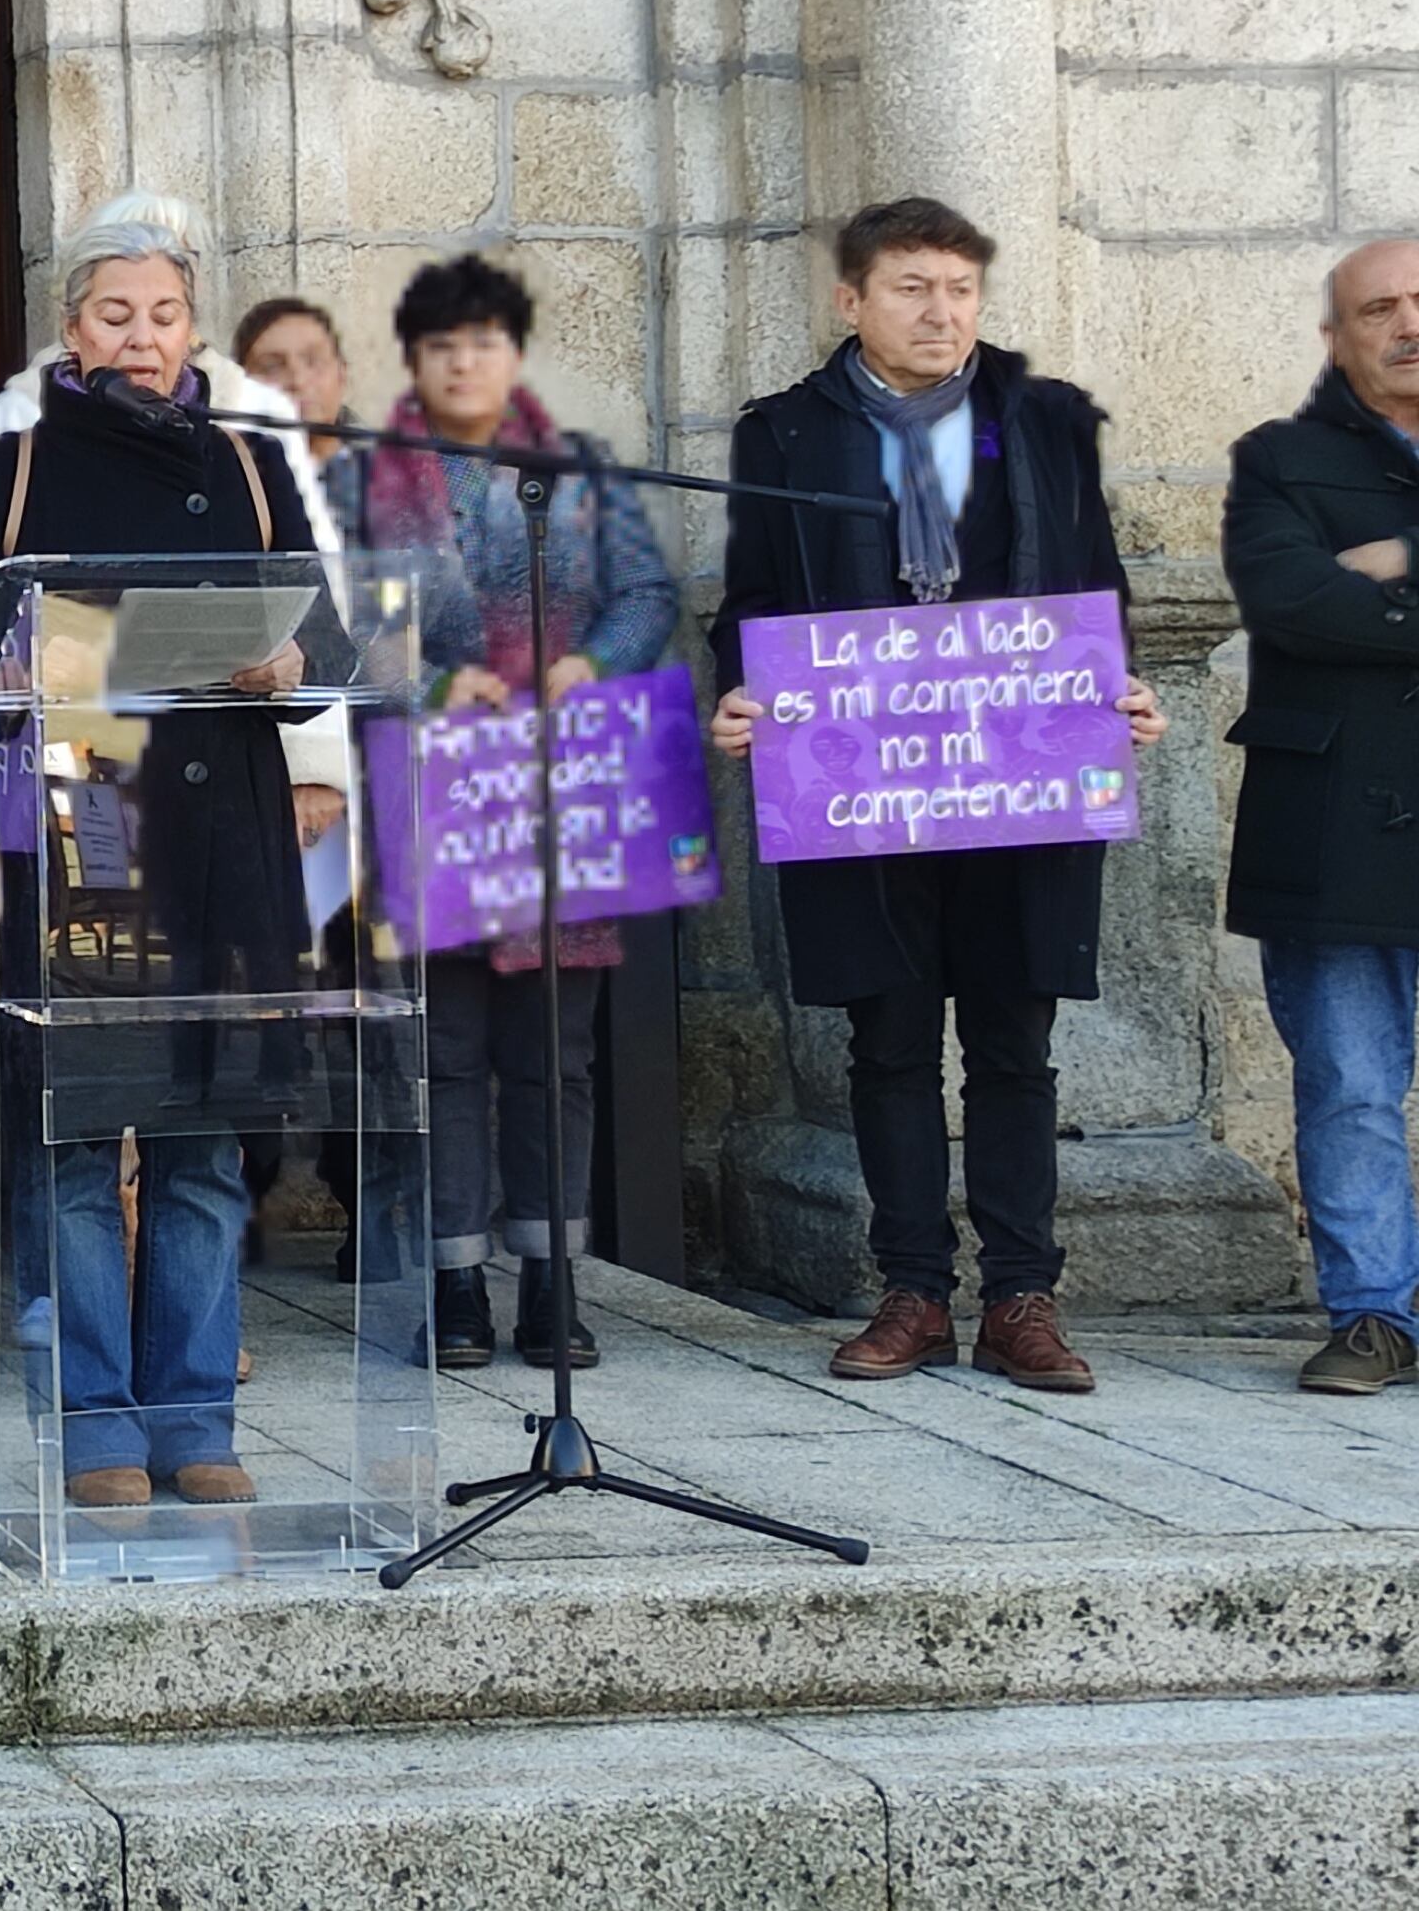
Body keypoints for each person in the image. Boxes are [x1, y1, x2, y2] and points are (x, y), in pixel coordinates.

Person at [708, 197, 1164, 1394]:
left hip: (1019, 776)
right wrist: (740, 694)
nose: (941, 311)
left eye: (959, 288)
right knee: (890, 1037)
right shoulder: (786, 436)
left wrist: (1123, 694)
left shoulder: (1044, 423)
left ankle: (1022, 1297)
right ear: (851, 300)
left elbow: (1094, 589)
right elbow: (750, 598)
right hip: (863, 784)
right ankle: (911, 1289)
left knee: (1014, 1038)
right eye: (912, 287)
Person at [0, 202, 327, 1502]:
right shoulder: (16, 463)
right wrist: (8, 663)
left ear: (194, 328)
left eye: (163, 314)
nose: (141, 338)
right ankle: (96, 1421)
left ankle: (198, 1418)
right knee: (84, 1141)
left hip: (227, 842)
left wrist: (292, 662)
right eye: (114, 315)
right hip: (89, 817)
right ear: (72, 329)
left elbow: (331, 648)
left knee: (204, 1146)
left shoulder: (256, 461)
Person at [355, 254, 676, 1373]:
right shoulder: (370, 478)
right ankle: (453, 1285)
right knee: (442, 1052)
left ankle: (552, 1279)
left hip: (561, 783)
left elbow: (648, 593)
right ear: (415, 360)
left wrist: (591, 662)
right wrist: (438, 683)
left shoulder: (577, 474)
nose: (462, 363)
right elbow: (341, 612)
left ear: (513, 353)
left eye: (482, 343)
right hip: (438, 781)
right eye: (441, 347)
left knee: (557, 1054)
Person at [1226, 238, 1419, 1397]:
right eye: (1379, 308)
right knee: (1347, 1079)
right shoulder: (1279, 459)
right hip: (1338, 823)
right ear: (1337, 336)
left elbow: (1354, 602)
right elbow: (1295, 604)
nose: (1408, 324)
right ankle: (1373, 1317)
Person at [230, 297, 365, 542]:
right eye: (272, 367)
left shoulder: (394, 477)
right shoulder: (233, 485)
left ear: (342, 373)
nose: (298, 381)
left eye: (314, 361)